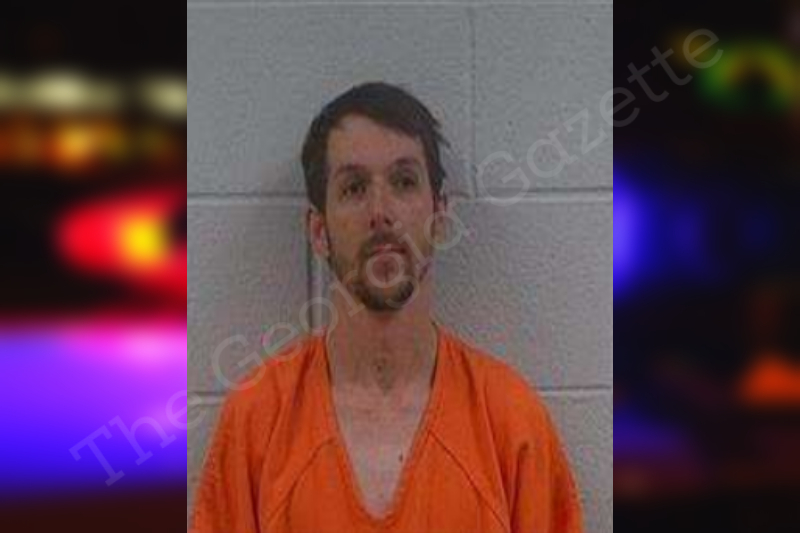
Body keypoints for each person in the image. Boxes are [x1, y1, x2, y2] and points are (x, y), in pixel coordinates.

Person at [191, 82, 583, 533]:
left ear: (439, 216)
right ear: (318, 231)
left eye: (404, 181)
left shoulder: (511, 423)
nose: (380, 211)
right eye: (354, 188)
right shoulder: (257, 422)